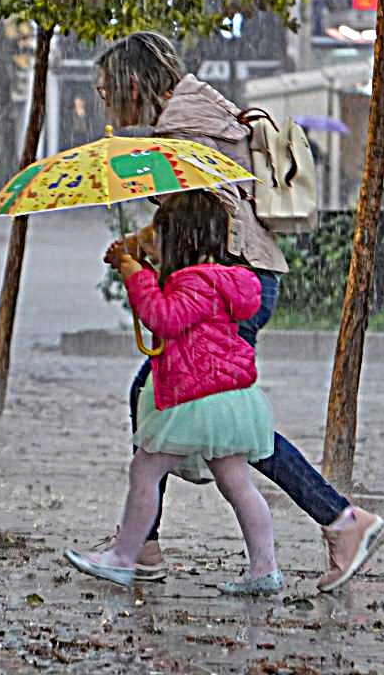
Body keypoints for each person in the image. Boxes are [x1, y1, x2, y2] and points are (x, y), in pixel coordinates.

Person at [95, 31, 384, 592]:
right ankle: (144, 543)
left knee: (229, 421)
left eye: (110, 91)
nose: (108, 103)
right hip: (244, 279)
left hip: (230, 286)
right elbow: (206, 214)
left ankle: (340, 520)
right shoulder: (205, 110)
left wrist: (139, 255)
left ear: (135, 85)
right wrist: (145, 243)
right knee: (194, 408)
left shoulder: (181, 130)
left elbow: (198, 222)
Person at [66, 193, 283, 594]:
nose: (154, 243)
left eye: (159, 236)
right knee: (236, 482)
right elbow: (177, 307)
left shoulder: (194, 281)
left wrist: (134, 273)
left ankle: (123, 558)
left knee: (144, 470)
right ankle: (264, 568)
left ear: (178, 240)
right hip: (233, 397)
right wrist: (138, 264)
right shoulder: (221, 279)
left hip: (196, 397)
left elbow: (164, 318)